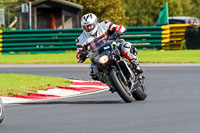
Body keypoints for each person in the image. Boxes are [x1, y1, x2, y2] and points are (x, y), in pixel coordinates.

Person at [76, 13, 143, 79]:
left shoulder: (104, 25)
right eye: (86, 26)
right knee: (93, 70)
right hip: (97, 54)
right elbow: (78, 54)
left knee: (126, 46)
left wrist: (117, 32)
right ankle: (108, 81)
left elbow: (120, 27)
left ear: (95, 23)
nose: (88, 28)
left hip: (112, 45)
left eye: (90, 25)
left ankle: (136, 65)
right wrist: (82, 55)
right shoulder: (80, 39)